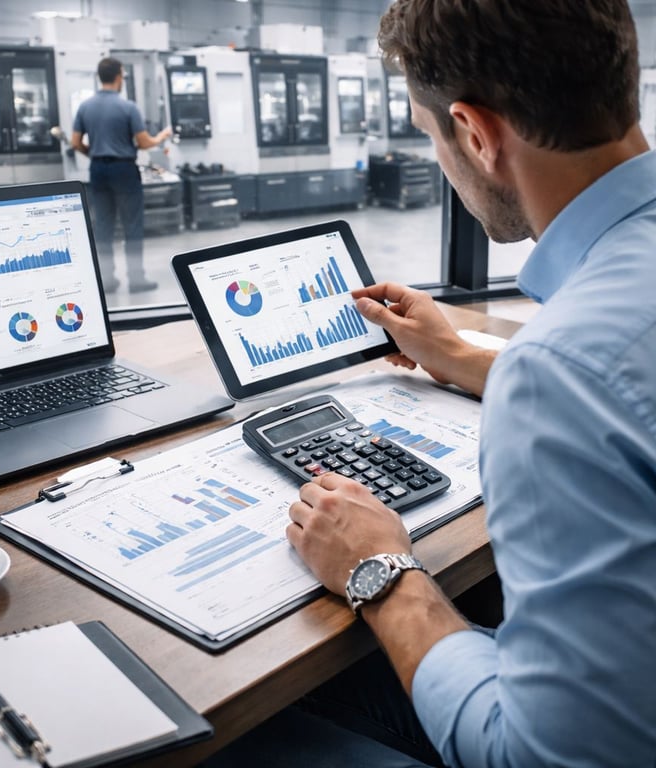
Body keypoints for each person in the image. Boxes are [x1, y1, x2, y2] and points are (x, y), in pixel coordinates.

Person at [205, 1, 656, 766]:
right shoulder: (588, 342)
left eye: (427, 134)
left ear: (475, 134)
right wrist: (464, 358)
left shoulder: (560, 374)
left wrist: (379, 571)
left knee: (246, 713)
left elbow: (543, 759)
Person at [71, 57, 171, 293]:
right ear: (118, 77)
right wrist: (162, 137)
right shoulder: (128, 107)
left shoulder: (85, 106)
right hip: (124, 169)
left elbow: (76, 142)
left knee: (103, 226)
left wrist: (94, 154)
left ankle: (107, 280)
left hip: (98, 170)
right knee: (132, 225)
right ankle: (136, 279)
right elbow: (144, 142)